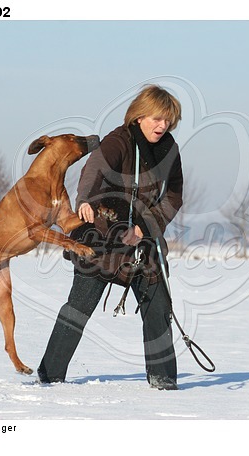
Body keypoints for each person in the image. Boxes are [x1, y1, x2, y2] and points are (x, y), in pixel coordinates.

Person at [37, 85, 184, 390]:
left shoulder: (170, 150)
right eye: (157, 118)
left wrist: (145, 227)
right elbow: (94, 170)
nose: (162, 126)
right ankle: (50, 375)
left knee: (158, 309)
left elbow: (174, 195)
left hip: (143, 242)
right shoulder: (119, 141)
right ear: (140, 115)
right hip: (101, 238)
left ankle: (164, 381)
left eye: (168, 120)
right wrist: (86, 201)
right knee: (77, 309)